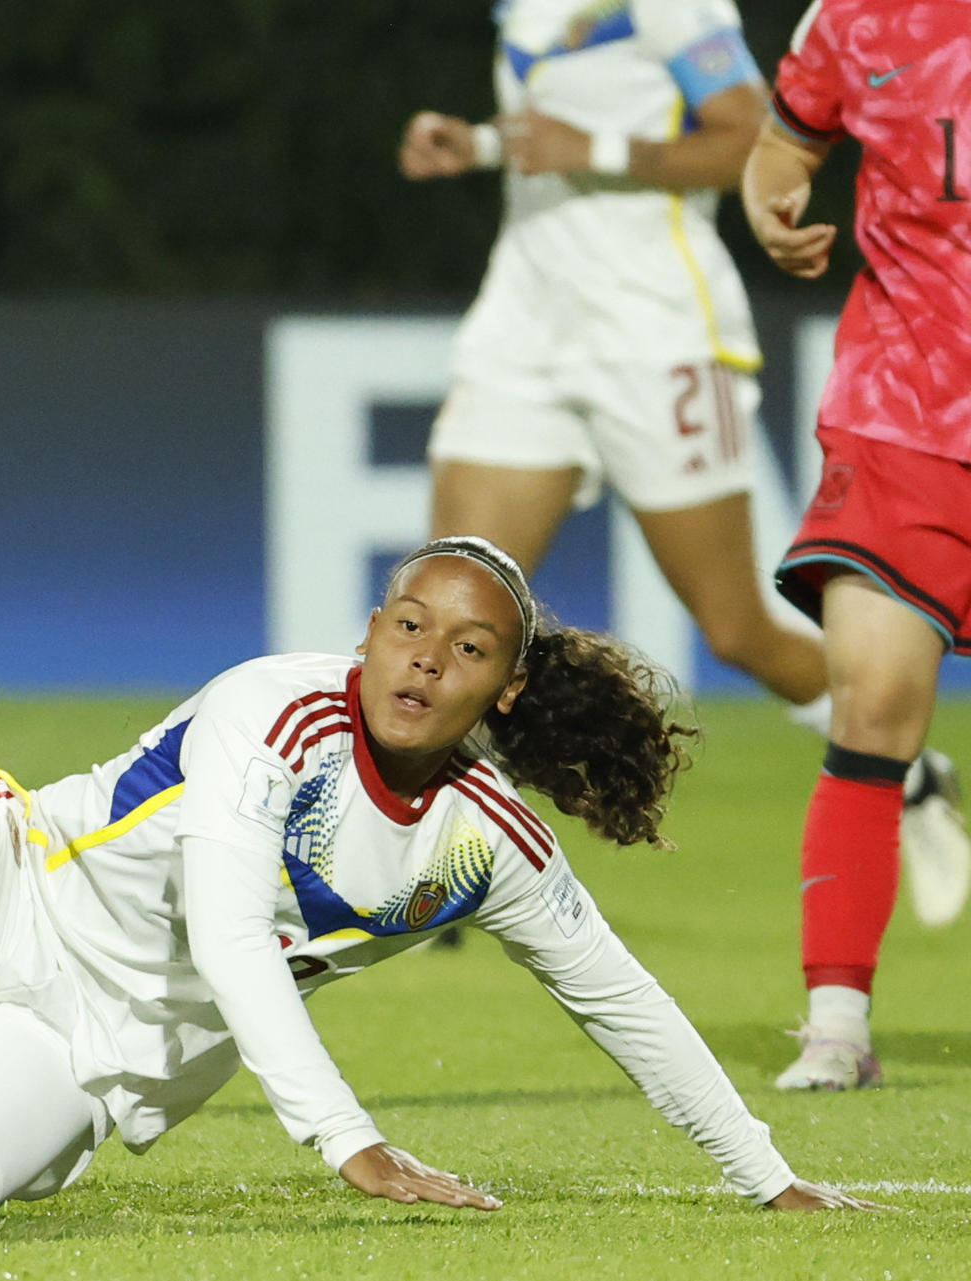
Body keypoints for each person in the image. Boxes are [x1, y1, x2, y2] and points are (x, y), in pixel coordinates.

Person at [0, 537, 874, 1220]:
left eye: (468, 646)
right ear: (369, 632)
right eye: (407, 623)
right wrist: (351, 1144)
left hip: (90, 1042)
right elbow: (236, 936)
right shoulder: (274, 710)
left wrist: (772, 1180)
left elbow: (624, 1004)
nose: (427, 657)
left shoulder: (489, 840)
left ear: (503, 687)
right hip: (7, 880)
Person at [399, 0, 967, 942]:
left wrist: (600, 150)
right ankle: (425, 855)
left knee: (737, 626)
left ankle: (902, 762)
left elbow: (746, 134)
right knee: (454, 592)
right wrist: (485, 145)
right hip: (523, 327)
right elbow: (561, 127)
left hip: (657, 333)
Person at [743, 0, 971, 1090]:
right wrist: (772, 208)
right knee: (873, 699)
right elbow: (780, 150)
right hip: (903, 413)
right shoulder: (858, 16)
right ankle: (837, 1023)